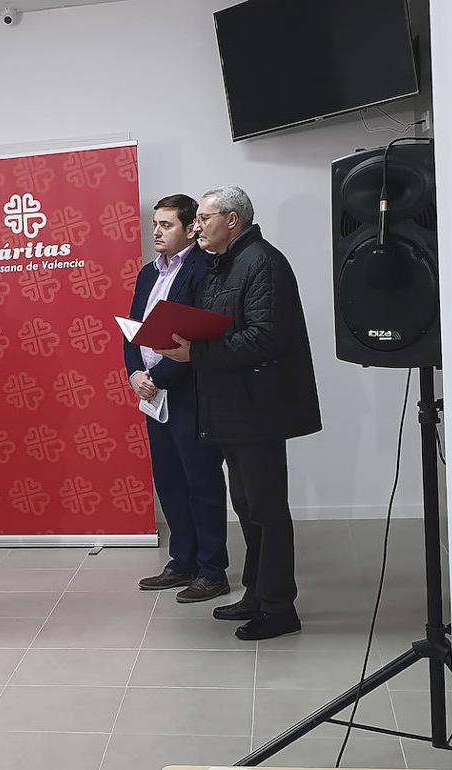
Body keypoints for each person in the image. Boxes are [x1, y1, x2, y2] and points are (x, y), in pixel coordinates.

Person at [157, 185, 321, 640]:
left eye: (204, 219)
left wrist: (197, 354)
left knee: (267, 508)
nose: (196, 227)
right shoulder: (224, 263)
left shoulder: (262, 263)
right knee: (248, 507)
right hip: (232, 407)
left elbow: (265, 338)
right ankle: (256, 594)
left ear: (233, 220)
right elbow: (223, 327)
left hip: (258, 409)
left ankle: (279, 608)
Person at [125, 195, 229, 603]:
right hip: (153, 393)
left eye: (166, 225)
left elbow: (199, 334)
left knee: (201, 480)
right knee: (168, 479)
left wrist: (160, 377)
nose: (156, 232)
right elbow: (132, 328)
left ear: (190, 229)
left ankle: (211, 569)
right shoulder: (147, 274)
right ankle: (181, 561)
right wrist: (135, 372)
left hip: (189, 392)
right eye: (155, 224)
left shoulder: (204, 268)